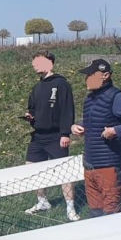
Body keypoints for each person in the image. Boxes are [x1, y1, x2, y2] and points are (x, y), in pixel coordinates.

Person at [70, 59, 121, 216]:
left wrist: (117, 130)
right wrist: (76, 126)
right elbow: (95, 120)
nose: (86, 79)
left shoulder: (119, 97)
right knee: (95, 215)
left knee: (112, 216)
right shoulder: (89, 99)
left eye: (91, 75)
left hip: (110, 167)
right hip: (90, 166)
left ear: (105, 75)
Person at [23, 52, 78, 221]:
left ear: (50, 64)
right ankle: (42, 201)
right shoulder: (37, 87)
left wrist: (65, 133)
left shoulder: (61, 84)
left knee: (64, 172)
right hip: (38, 136)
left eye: (39, 62)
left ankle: (70, 208)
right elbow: (32, 108)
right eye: (34, 63)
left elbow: (67, 110)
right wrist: (30, 116)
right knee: (32, 168)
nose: (35, 66)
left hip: (56, 136)